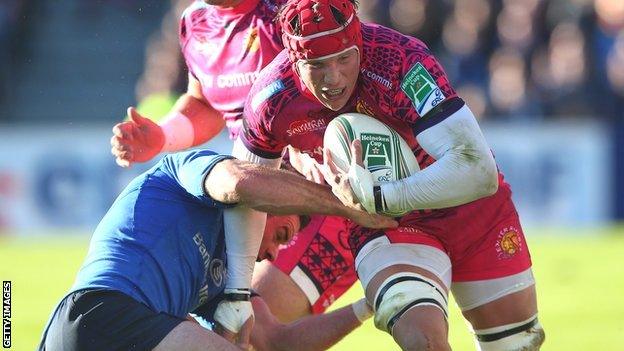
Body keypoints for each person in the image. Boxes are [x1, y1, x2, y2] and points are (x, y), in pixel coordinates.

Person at [233, 0, 546, 349]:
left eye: (343, 59)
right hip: (386, 224)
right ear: (293, 61)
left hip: (469, 208)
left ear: (359, 44)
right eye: (316, 66)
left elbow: (478, 170)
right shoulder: (271, 98)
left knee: (517, 344)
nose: (332, 78)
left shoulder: (401, 60)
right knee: (421, 338)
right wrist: (234, 290)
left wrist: (382, 195)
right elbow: (245, 193)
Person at [110, 0, 363, 325]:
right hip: (259, 196)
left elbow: (348, 71)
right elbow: (207, 103)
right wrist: (162, 136)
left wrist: (316, 137)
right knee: (228, 326)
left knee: (253, 324)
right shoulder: (195, 20)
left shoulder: (290, 11)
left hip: (327, 190)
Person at [38, 149, 393, 351]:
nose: (273, 253)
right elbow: (241, 182)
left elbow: (276, 342)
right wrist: (344, 204)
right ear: (269, 203)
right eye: (281, 234)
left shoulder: (229, 274)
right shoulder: (185, 172)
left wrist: (368, 306)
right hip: (100, 313)